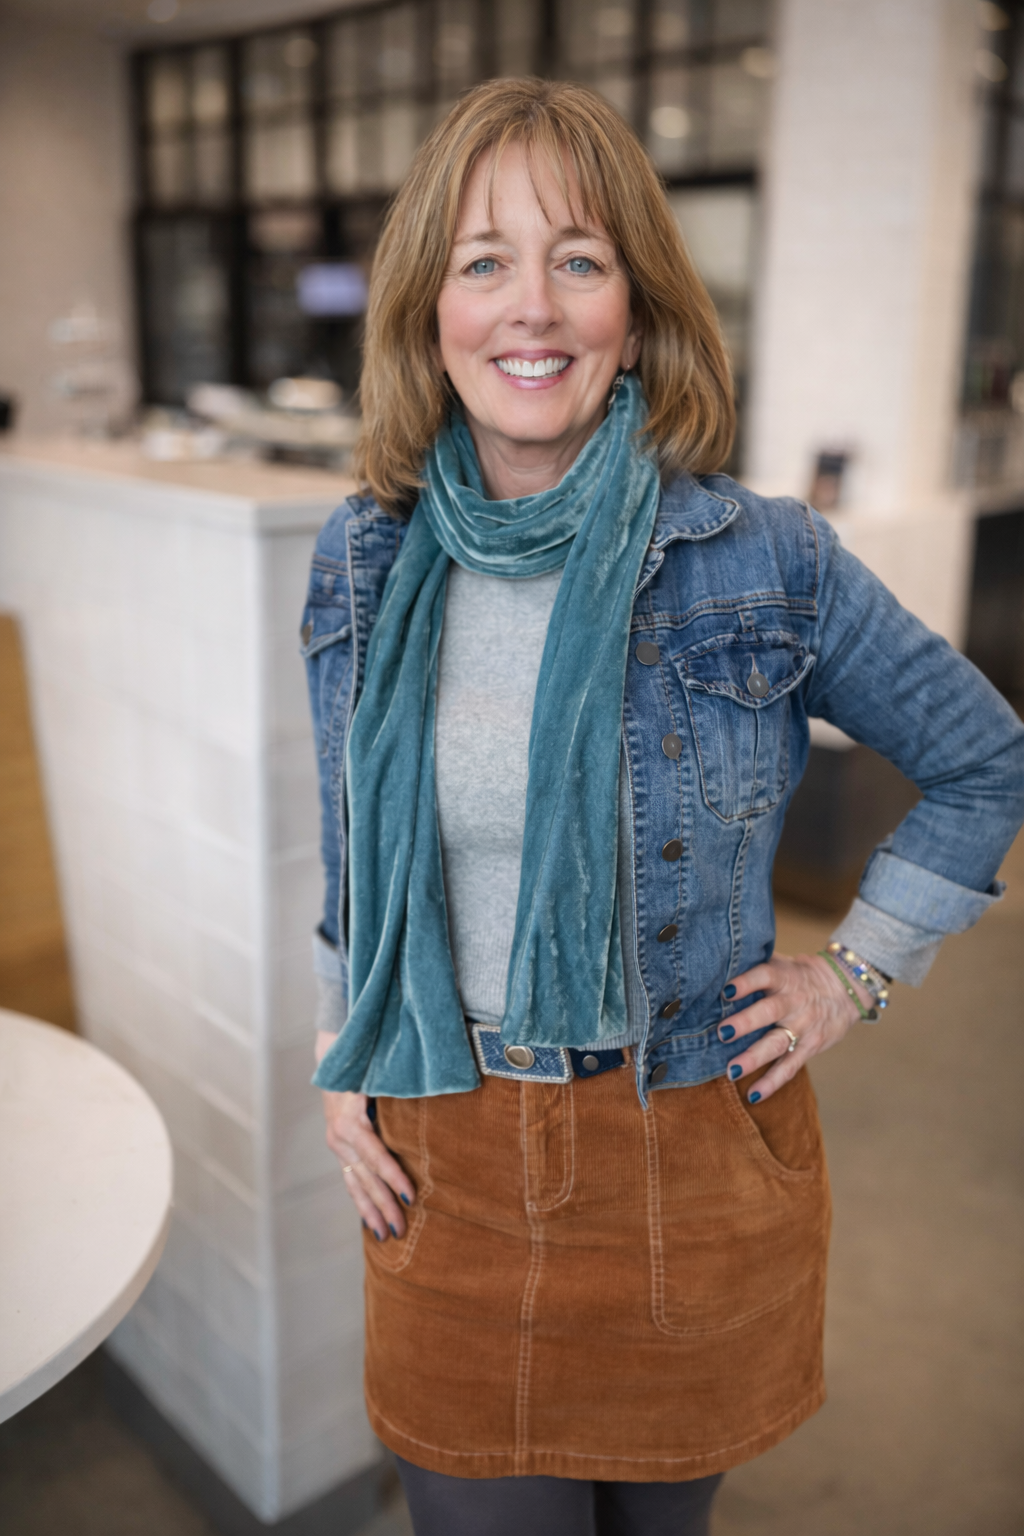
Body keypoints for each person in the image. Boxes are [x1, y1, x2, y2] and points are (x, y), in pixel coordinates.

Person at [301, 77, 1024, 1536]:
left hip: (688, 1148)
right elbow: (358, 851)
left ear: (635, 303)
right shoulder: (366, 557)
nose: (533, 308)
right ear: (427, 310)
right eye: (483, 260)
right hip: (444, 1141)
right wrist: (337, 1043)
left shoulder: (763, 559)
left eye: (579, 258)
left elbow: (984, 755)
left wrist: (856, 974)